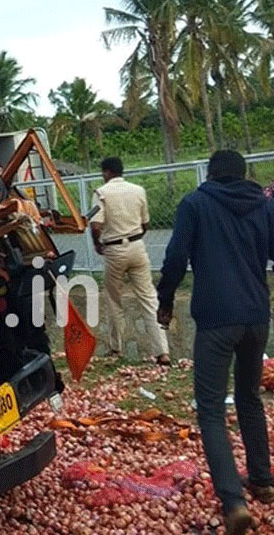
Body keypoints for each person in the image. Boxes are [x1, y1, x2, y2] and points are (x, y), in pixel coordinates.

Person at [156, 150, 274, 534]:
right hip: (257, 318)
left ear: (210, 173)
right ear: (243, 175)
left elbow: (175, 256)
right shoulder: (262, 204)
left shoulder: (195, 204)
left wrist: (166, 299)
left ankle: (234, 501)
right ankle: (262, 480)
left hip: (216, 320)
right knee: (250, 398)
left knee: (209, 409)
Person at [90, 156, 171, 364]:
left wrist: (98, 244)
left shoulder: (101, 193)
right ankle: (162, 351)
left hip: (114, 250)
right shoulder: (139, 191)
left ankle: (116, 348)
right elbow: (146, 224)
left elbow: (95, 226)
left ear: (107, 172)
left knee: (114, 299)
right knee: (149, 299)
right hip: (137, 247)